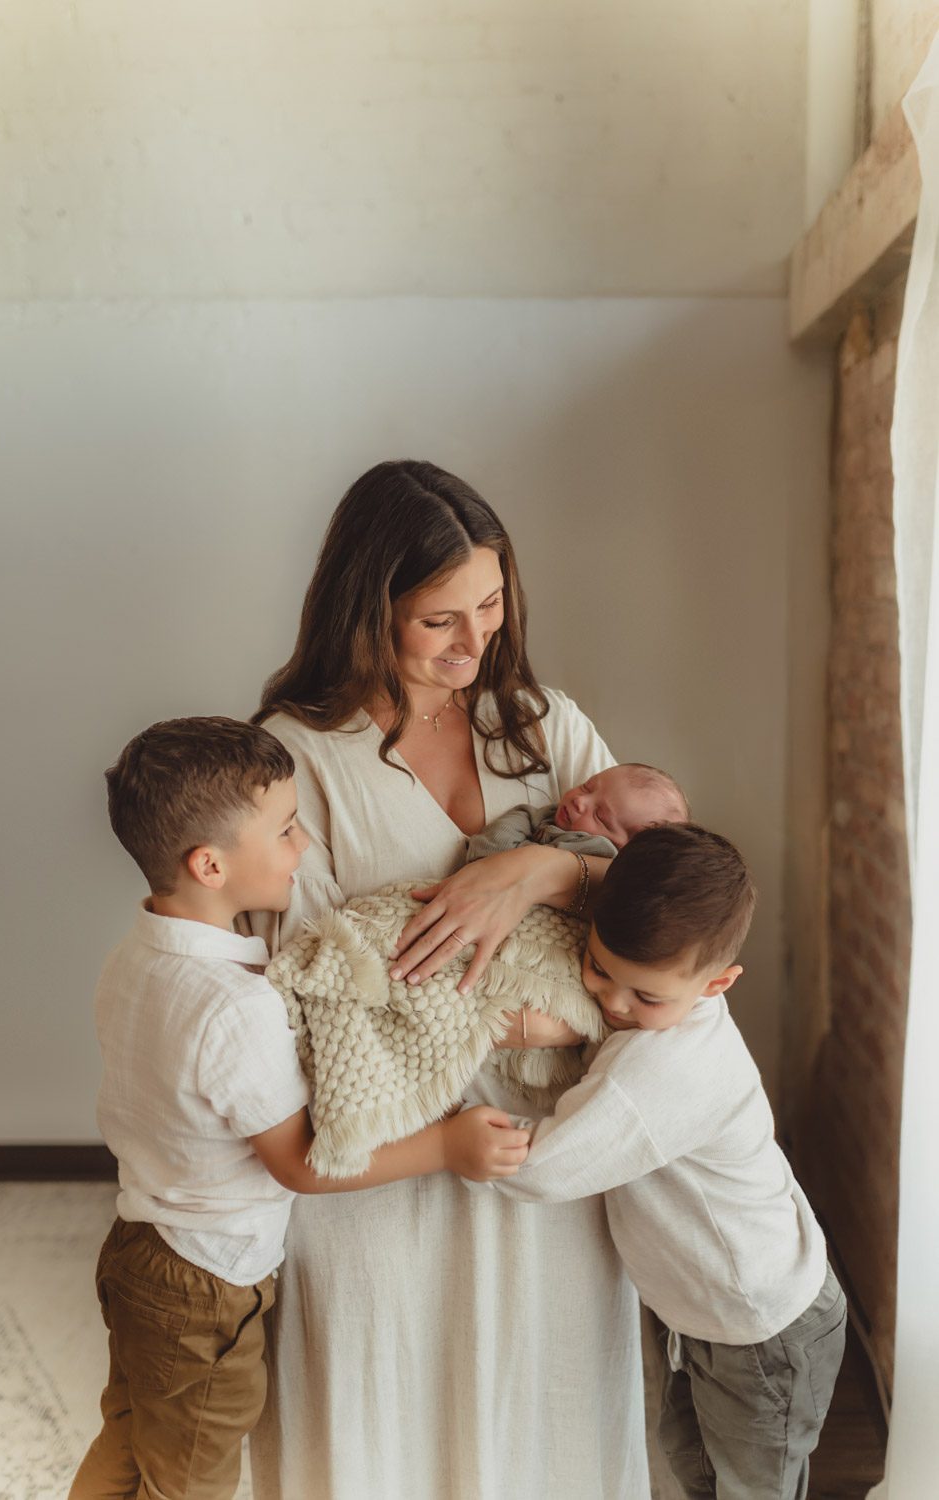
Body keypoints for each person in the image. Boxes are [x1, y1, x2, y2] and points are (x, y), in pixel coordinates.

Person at [244, 459, 651, 1500]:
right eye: (439, 622)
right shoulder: (296, 757)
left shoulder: (544, 727)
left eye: (490, 605)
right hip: (387, 1151)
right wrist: (480, 1018)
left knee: (542, 1416)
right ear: (362, 607)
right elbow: (298, 977)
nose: (474, 646)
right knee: (380, 1428)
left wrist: (541, 869)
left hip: (540, 1146)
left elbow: (661, 895)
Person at [70, 716, 529, 1500]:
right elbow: (301, 1164)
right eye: (285, 830)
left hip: (139, 1247)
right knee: (193, 1480)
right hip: (207, 1282)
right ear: (210, 864)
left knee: (135, 1436)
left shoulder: (133, 959)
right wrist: (446, 1146)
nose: (304, 847)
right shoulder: (233, 1009)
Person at [493, 823, 847, 1500]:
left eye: (646, 997)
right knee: (695, 1466)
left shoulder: (664, 1067)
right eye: (598, 968)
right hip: (712, 1314)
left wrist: (465, 1137)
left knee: (753, 1487)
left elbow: (543, 1167)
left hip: (766, 1327)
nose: (613, 1003)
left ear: (719, 983)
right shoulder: (655, 1023)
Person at [464, 761, 690, 862]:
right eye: (587, 786)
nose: (580, 801)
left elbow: (493, 857)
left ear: (627, 849)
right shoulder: (552, 817)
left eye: (600, 815)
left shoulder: (596, 852)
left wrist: (520, 824)